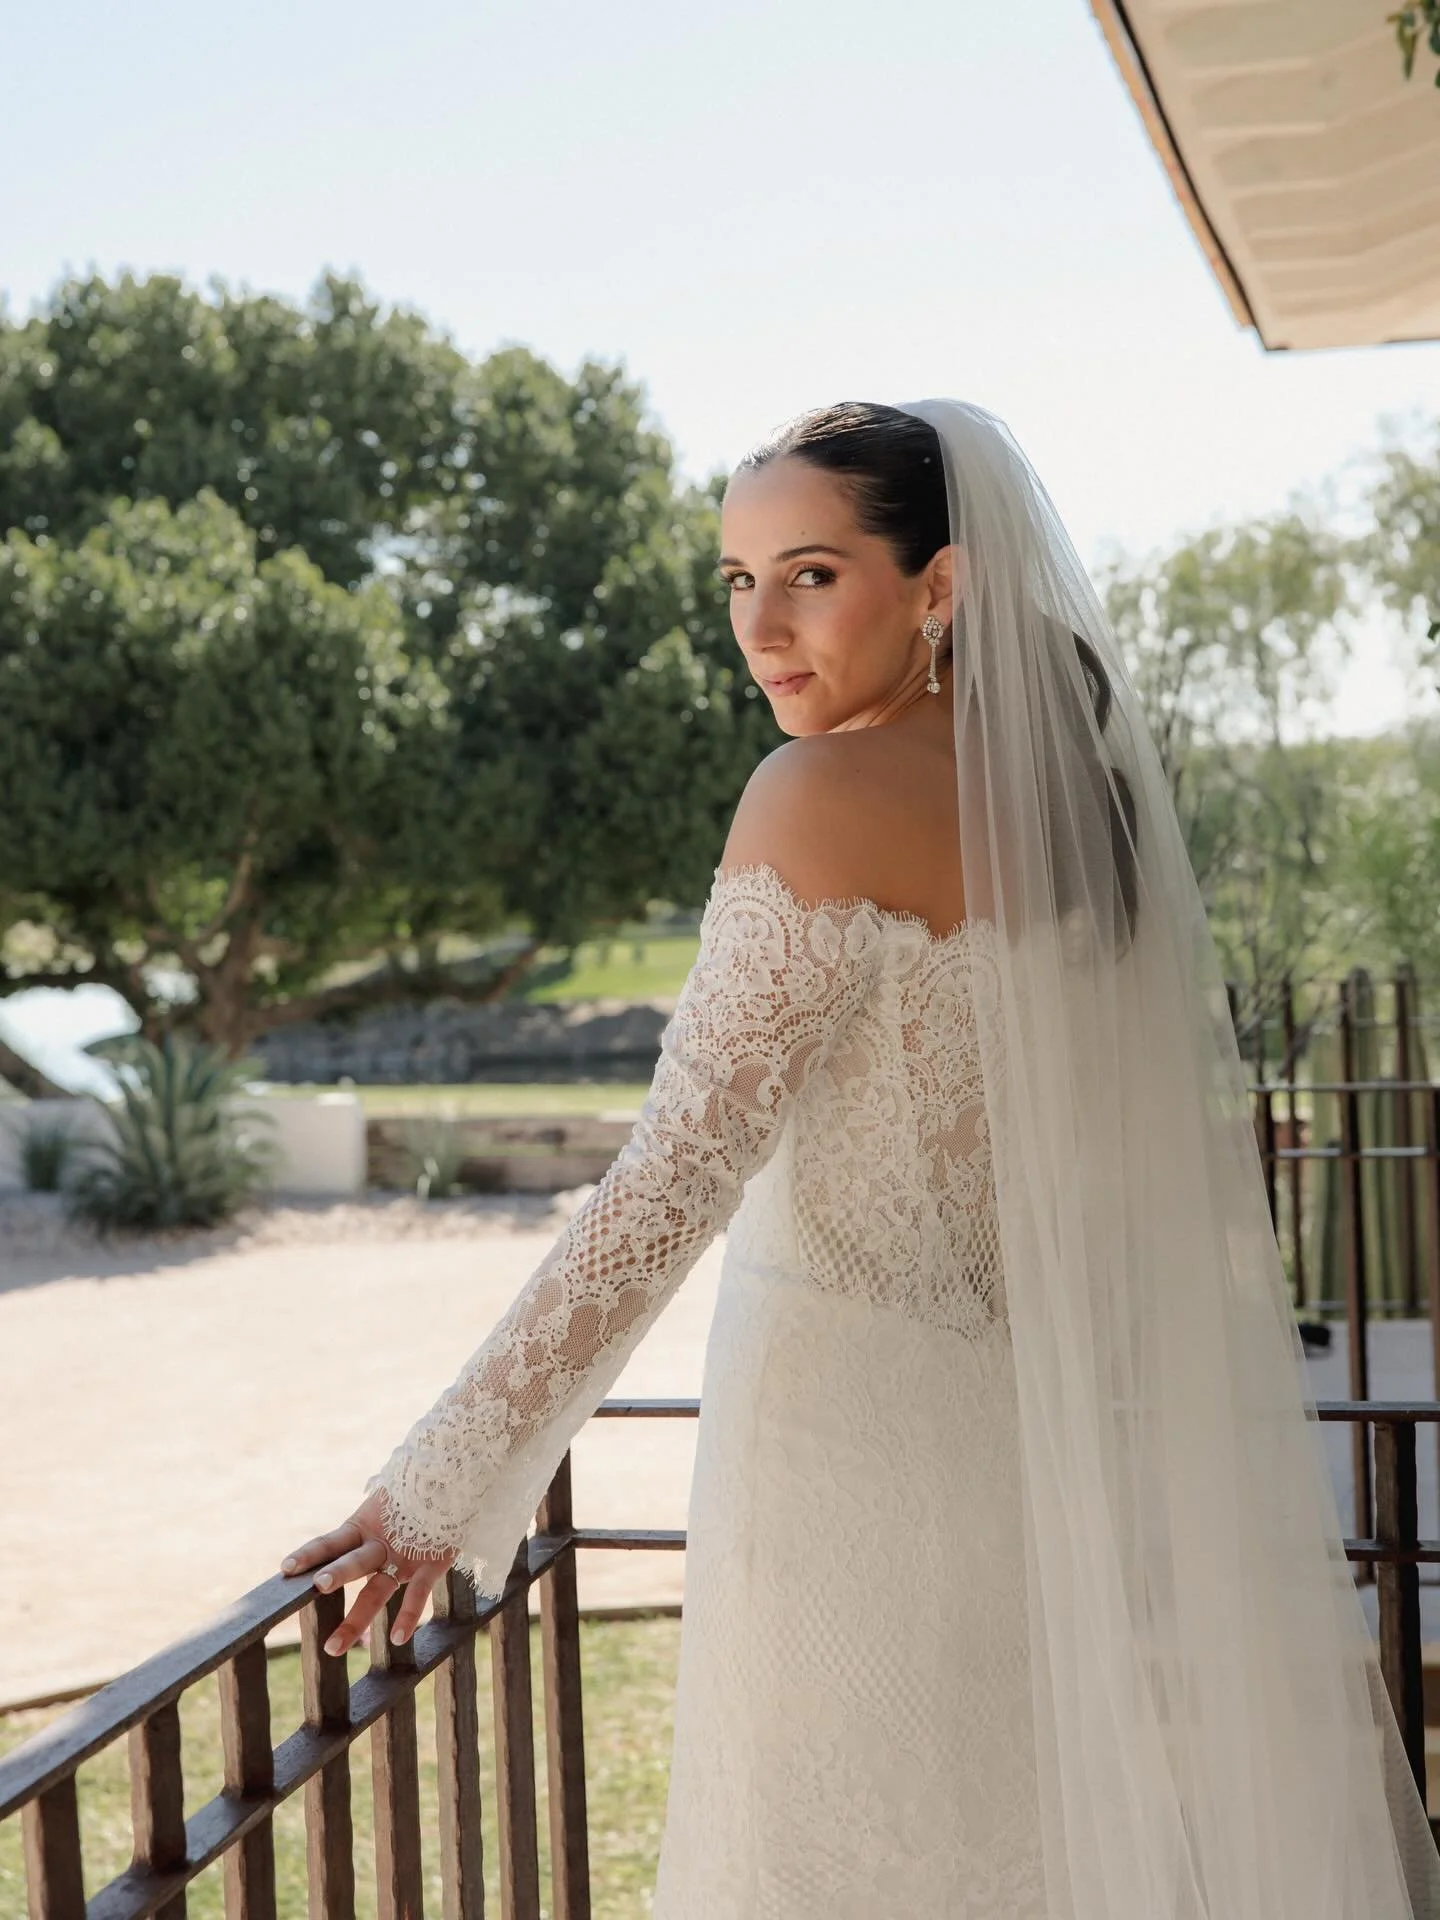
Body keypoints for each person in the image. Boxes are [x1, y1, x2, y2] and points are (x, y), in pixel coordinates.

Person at [281, 401, 1440, 1918]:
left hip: (844, 1455)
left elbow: (676, 1175)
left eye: (812, 574)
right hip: (1027, 1453)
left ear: (940, 586)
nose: (760, 625)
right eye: (736, 580)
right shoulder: (1080, 819)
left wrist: (445, 1474)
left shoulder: (816, 795)